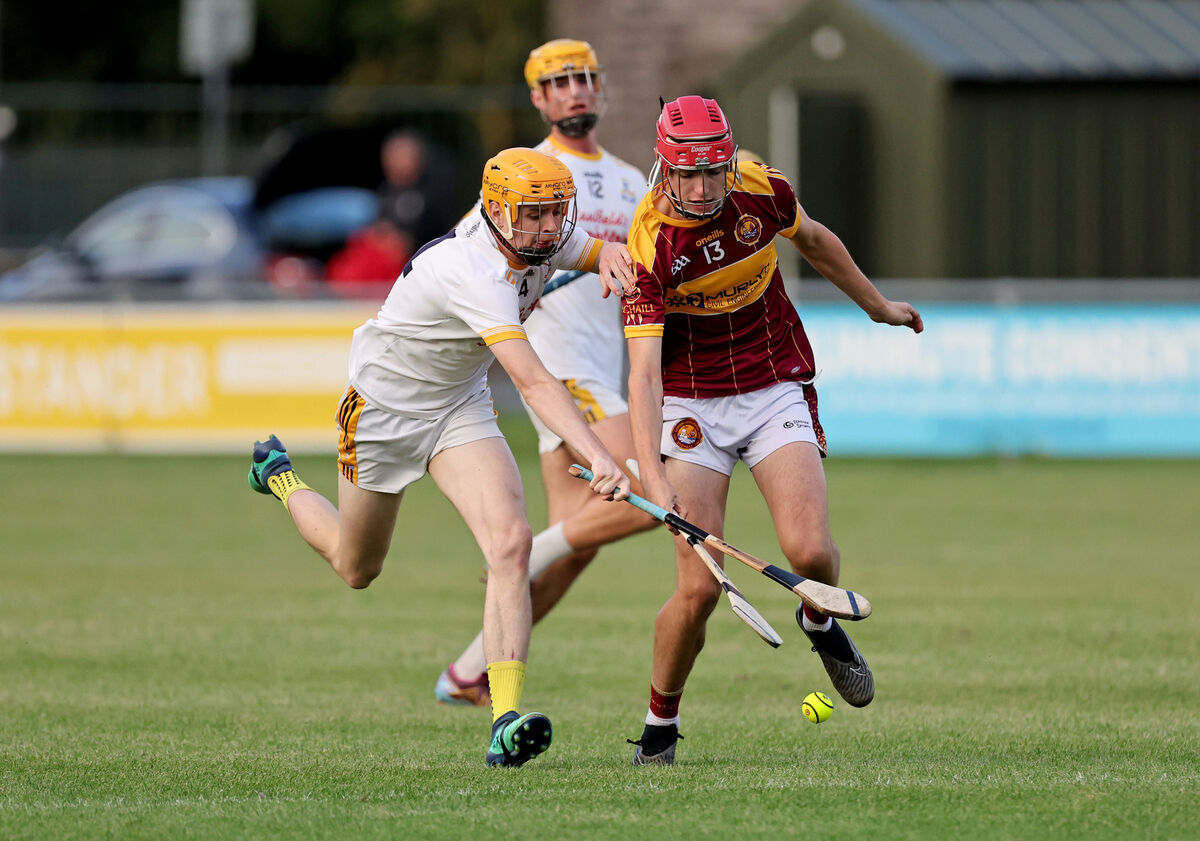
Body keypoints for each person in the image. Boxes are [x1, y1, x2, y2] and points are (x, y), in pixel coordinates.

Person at [247, 147, 636, 768]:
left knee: (510, 544)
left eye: (555, 214)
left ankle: (503, 716)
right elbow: (534, 383)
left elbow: (590, 250)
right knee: (356, 566)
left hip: (459, 407)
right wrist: (599, 455)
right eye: (532, 214)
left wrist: (614, 254)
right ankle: (281, 478)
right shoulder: (472, 269)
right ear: (497, 210)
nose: (547, 227)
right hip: (382, 416)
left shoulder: (541, 235)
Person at [622, 96, 924, 765]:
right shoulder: (649, 242)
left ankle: (816, 617)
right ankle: (659, 727)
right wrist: (651, 470)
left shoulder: (760, 188)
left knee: (811, 553)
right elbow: (643, 374)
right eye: (688, 174)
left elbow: (814, 240)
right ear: (665, 170)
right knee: (698, 588)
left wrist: (877, 306)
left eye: (714, 170)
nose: (703, 188)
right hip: (693, 406)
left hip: (772, 385)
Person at [434, 39, 658, 707]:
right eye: (558, 82)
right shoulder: (525, 174)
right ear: (538, 98)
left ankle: (468, 671)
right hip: (560, 371)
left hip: (603, 365)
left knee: (578, 545)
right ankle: (519, 551)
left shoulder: (629, 181)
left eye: (585, 78)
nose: (574, 90)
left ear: (602, 88)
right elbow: (465, 257)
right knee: (651, 489)